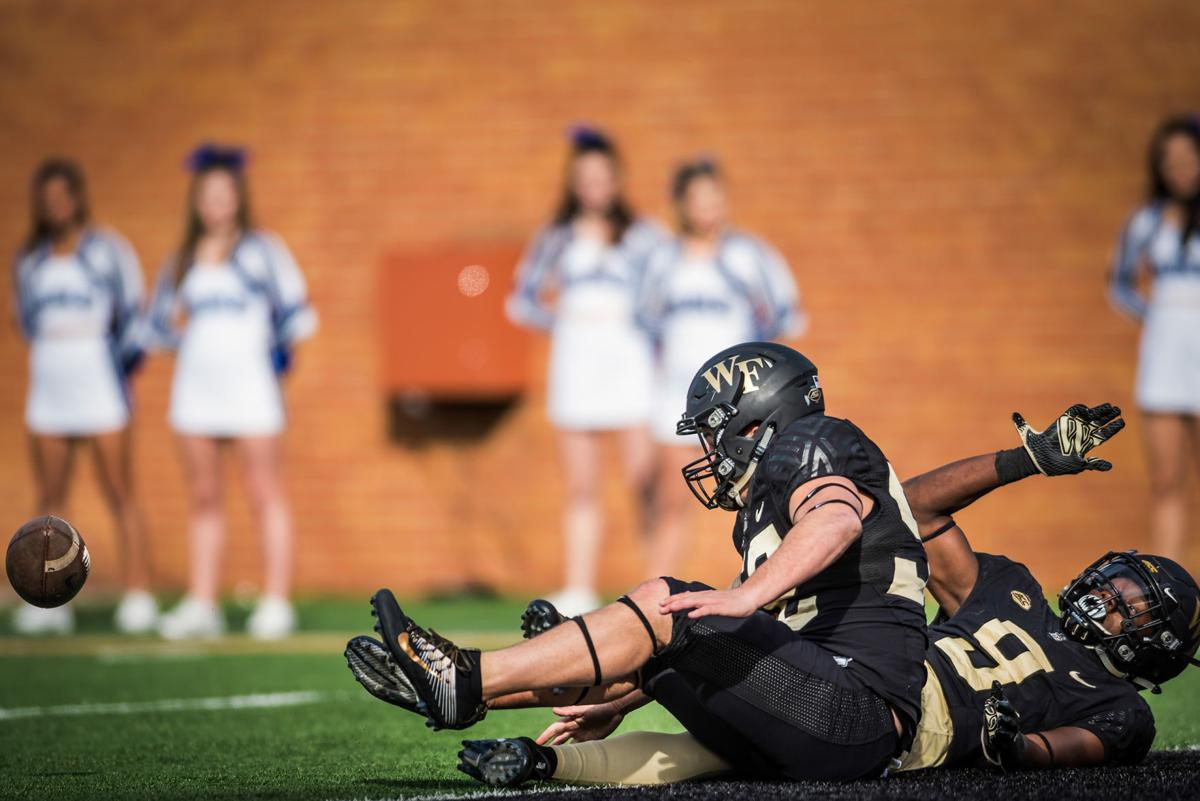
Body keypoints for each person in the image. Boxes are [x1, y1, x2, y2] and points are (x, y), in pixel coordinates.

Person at [455, 403, 1200, 786]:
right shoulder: (1013, 588)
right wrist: (1024, 459)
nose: (1108, 596)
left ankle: (510, 687)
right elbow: (910, 512)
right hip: (840, 676)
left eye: (1131, 603)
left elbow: (1066, 748)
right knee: (669, 666)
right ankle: (507, 702)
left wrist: (1018, 746)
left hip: (900, 724)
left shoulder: (1121, 707)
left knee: (679, 657)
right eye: (1117, 582)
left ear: (1155, 646)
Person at [346, 341, 929, 782]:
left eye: (714, 434)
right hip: (819, 715)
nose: (709, 453)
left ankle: (468, 678)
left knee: (667, 604)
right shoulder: (766, 508)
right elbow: (743, 639)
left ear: (754, 424)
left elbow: (834, 519)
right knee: (661, 646)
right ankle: (469, 692)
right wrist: (614, 699)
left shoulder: (810, 440)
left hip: (855, 713)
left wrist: (744, 595)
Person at [146, 144, 317, 640]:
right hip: (197, 389)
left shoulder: (263, 251)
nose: (216, 204)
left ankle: (276, 601)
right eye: (207, 195)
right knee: (203, 497)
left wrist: (276, 360)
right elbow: (156, 325)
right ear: (196, 202)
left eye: (225, 194)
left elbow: (297, 315)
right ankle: (202, 602)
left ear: (239, 197)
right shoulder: (182, 258)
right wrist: (186, 338)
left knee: (265, 493)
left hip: (252, 388)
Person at [505, 126, 666, 615]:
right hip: (576, 368)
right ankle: (578, 588)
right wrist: (563, 320)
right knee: (580, 485)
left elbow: (667, 292)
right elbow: (521, 298)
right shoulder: (556, 237)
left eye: (603, 177)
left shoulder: (645, 236)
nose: (594, 187)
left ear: (617, 180)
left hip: (631, 367)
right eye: (585, 178)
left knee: (644, 481)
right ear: (573, 183)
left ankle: (657, 583)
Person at [10, 157, 156, 635]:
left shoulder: (107, 251)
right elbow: (24, 320)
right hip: (51, 382)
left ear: (77, 198)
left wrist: (119, 368)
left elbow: (133, 313)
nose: (55, 206)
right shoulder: (30, 259)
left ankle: (139, 594)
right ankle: (48, 602)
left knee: (119, 491)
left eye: (62, 196)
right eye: (46, 199)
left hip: (99, 379)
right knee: (49, 498)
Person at [638, 158, 803, 578]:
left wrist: (759, 377)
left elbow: (782, 316)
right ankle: (654, 593)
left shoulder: (748, 255)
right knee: (672, 499)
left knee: (758, 493)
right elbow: (646, 325)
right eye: (698, 198)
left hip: (741, 400)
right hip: (680, 397)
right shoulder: (664, 260)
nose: (708, 206)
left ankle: (771, 583)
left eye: (714, 196)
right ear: (681, 203)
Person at [1108, 115, 1200, 569]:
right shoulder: (1146, 221)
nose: (1179, 168)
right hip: (1165, 360)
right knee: (1166, 482)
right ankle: (1168, 584)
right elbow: (1119, 284)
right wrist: (1160, 319)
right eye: (1170, 160)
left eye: (1188, 157)